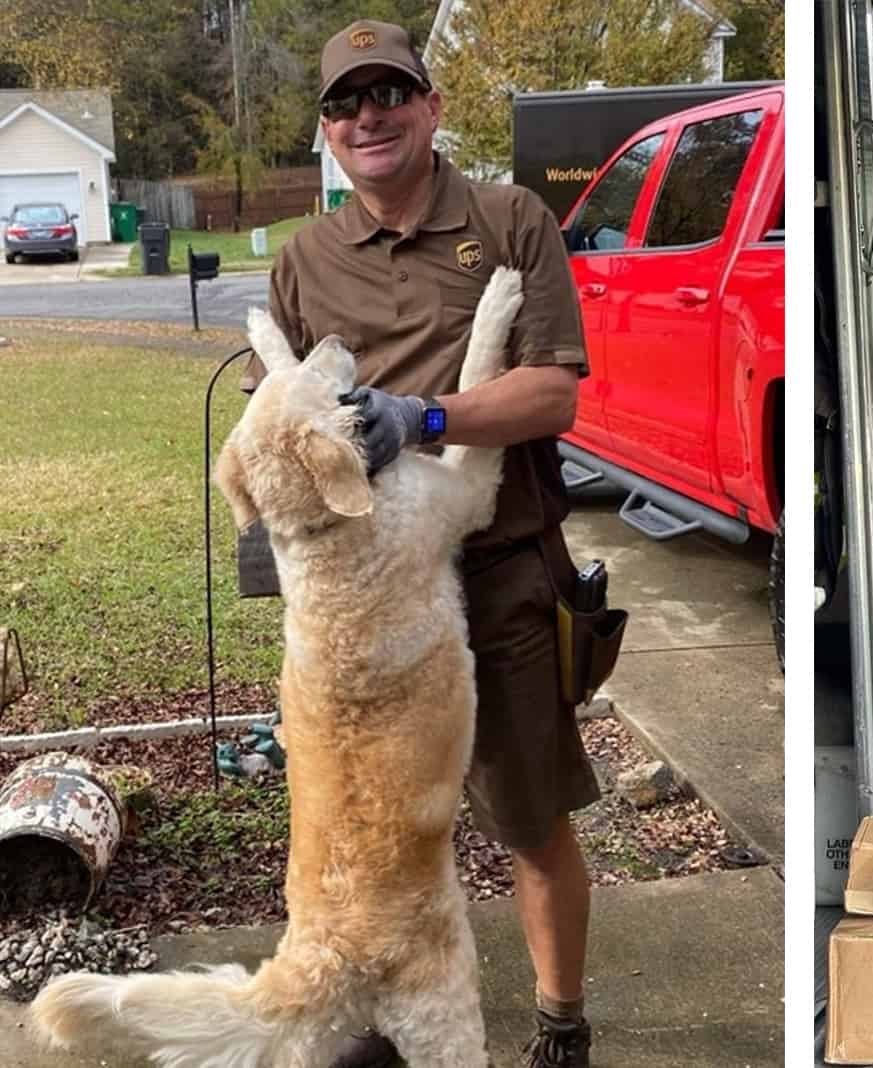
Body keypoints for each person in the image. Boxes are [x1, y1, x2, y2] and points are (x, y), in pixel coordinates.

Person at [239, 19, 598, 1068]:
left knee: (528, 817)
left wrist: (425, 420)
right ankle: (384, 1021)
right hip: (365, 600)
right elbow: (280, 414)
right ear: (328, 132)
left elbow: (554, 395)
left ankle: (560, 1025)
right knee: (363, 827)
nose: (368, 117)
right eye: (345, 104)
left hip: (496, 574)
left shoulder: (508, 219)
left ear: (430, 106)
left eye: (388, 92)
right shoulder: (306, 257)